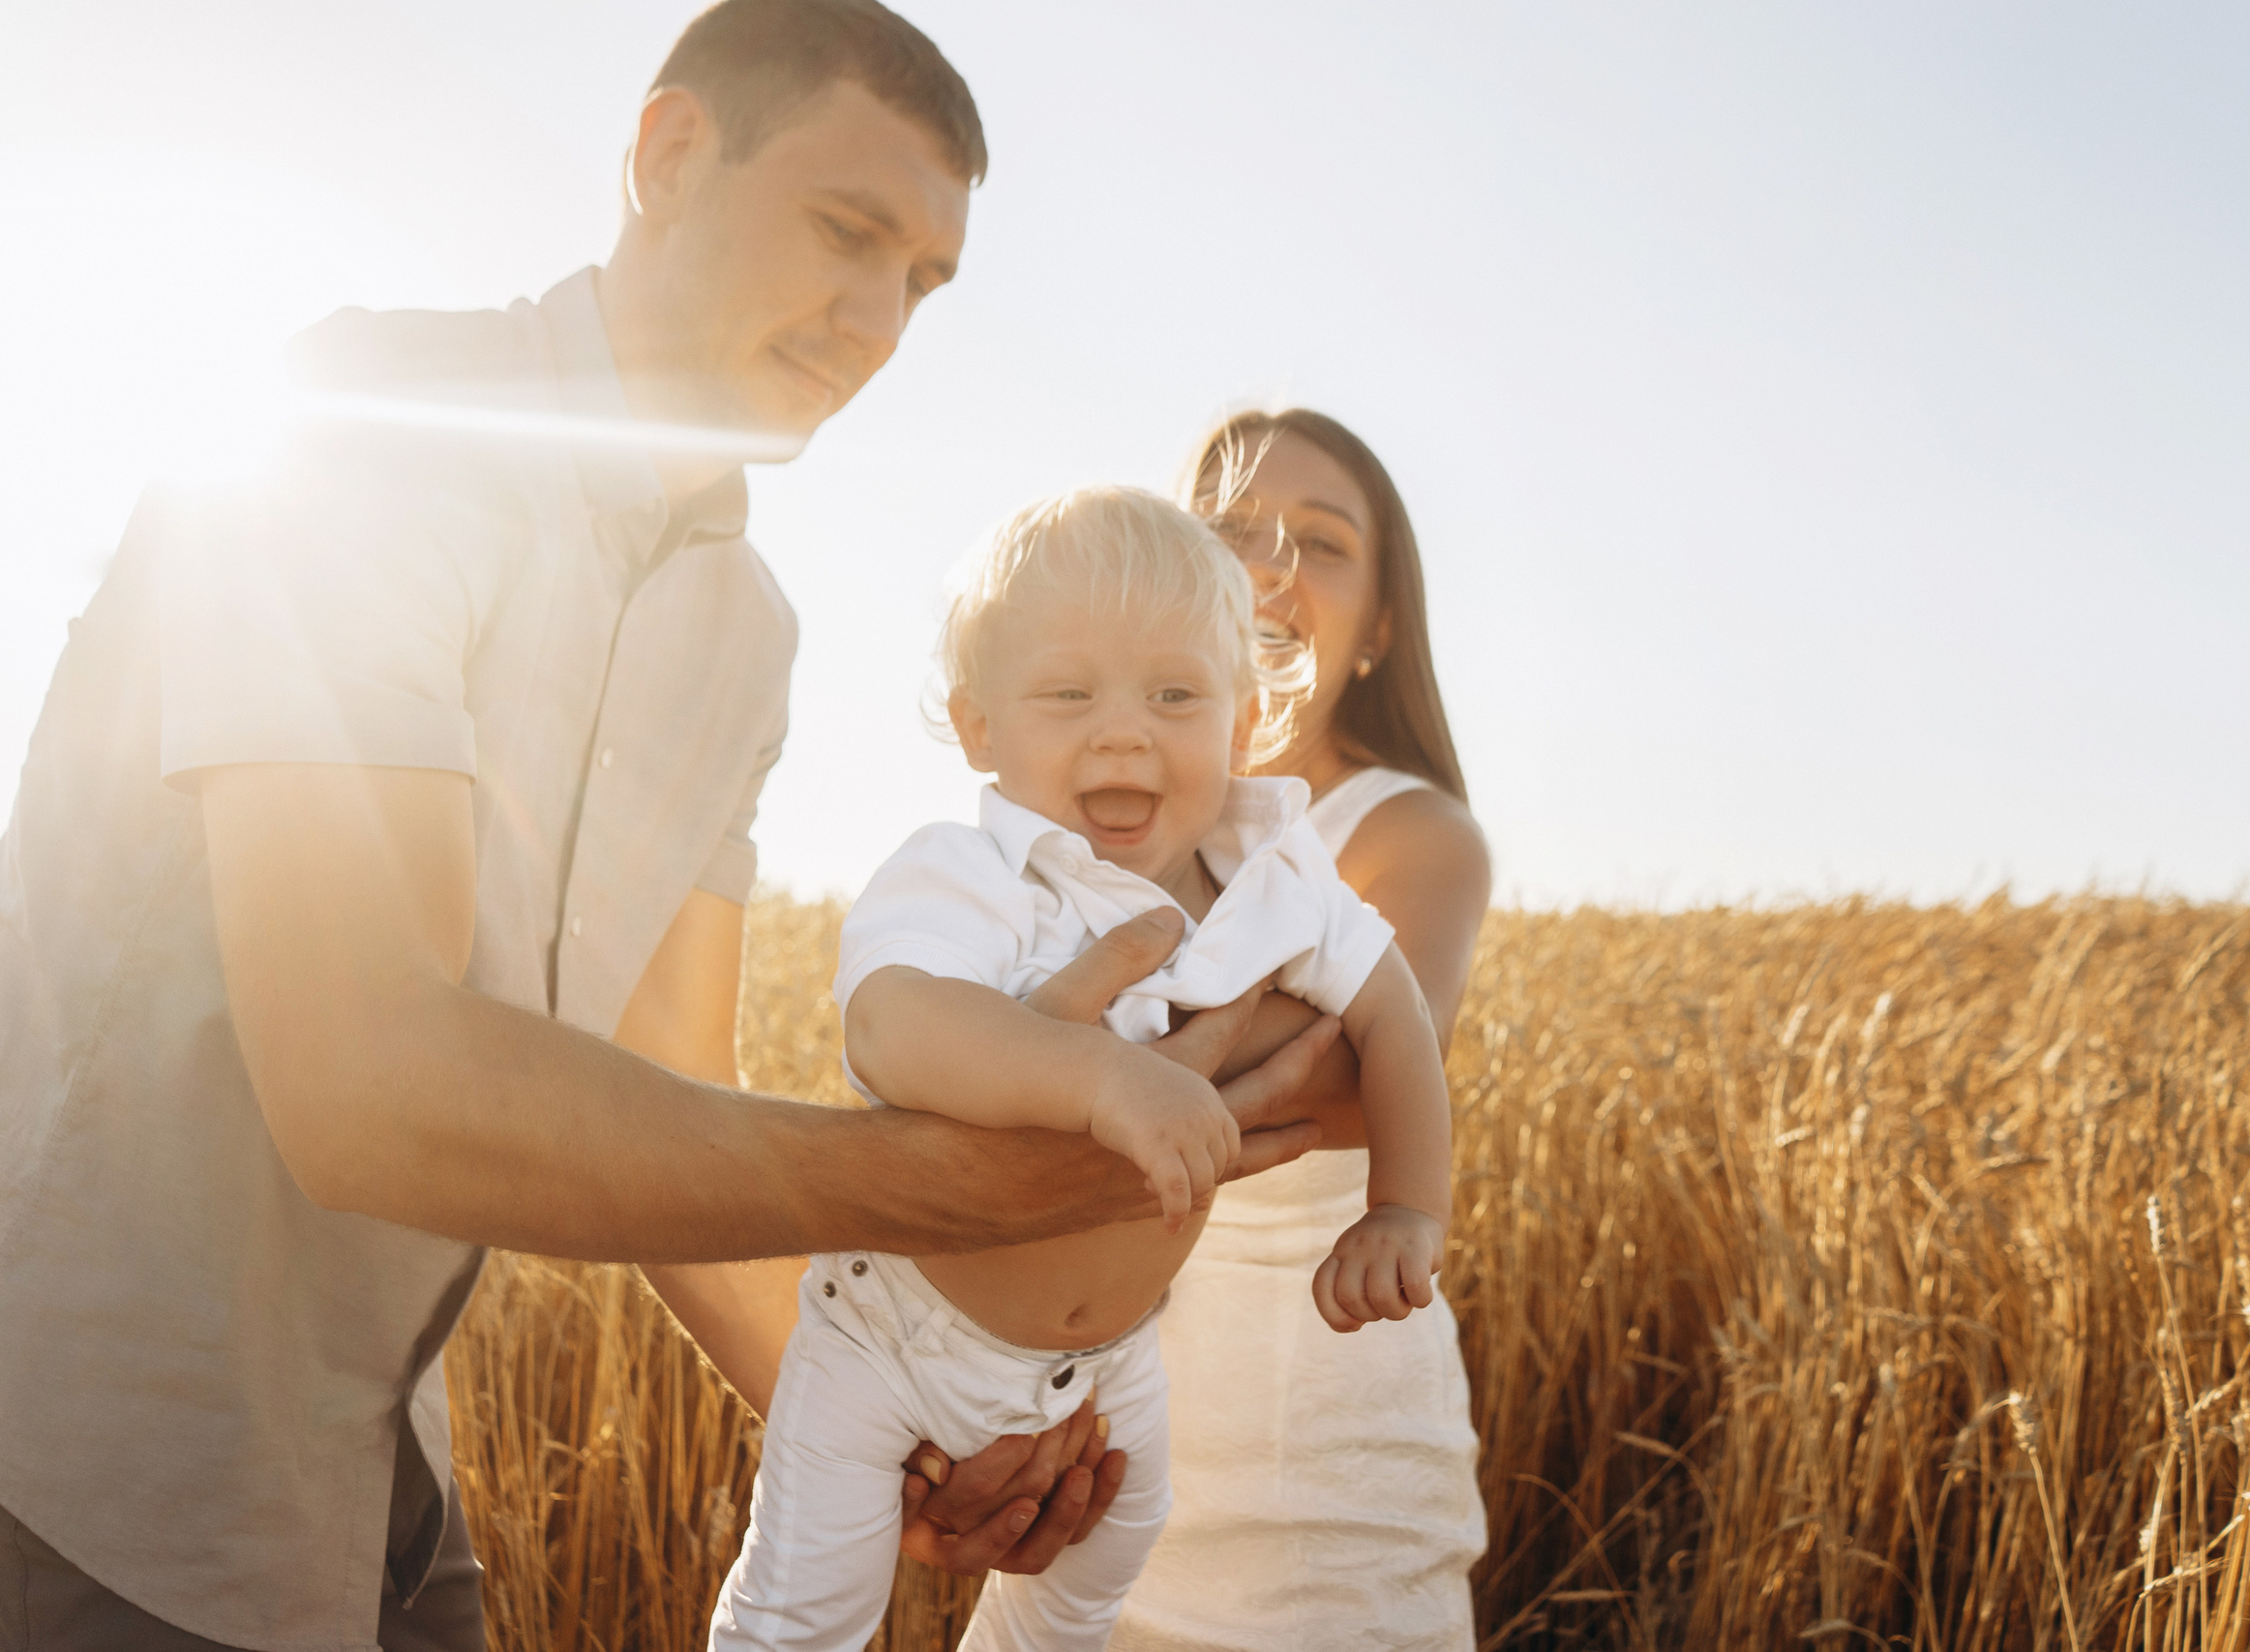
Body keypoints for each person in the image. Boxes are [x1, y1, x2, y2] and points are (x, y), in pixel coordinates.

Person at [0, 8, 1334, 1650]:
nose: (874, 323)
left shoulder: (741, 630)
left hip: (374, 1491)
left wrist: (924, 1425)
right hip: (69, 1467)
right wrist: (947, 1185)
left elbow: (676, 1108)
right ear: (669, 157)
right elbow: (365, 1084)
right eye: (848, 234)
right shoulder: (360, 433)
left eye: (921, 282)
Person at [709, 486, 1454, 1651]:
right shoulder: (975, 875)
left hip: (1105, 1365)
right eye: (1067, 694)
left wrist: (1405, 1205)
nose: (1123, 732)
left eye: (1174, 695)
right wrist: (1102, 1081)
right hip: (894, 1342)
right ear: (977, 727)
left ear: (1245, 719)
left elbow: (1397, 1013)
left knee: (1091, 1587)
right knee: (799, 1618)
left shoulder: (1279, 881)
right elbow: (893, 1026)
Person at [1112, 410, 1493, 1651]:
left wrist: (1072, 1047)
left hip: (1323, 1478)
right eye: (1229, 530)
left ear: (1381, 628)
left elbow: (1348, 1082)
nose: (1270, 566)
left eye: (1321, 544)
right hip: (1101, 1453)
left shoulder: (1411, 829)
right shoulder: (1102, 807)